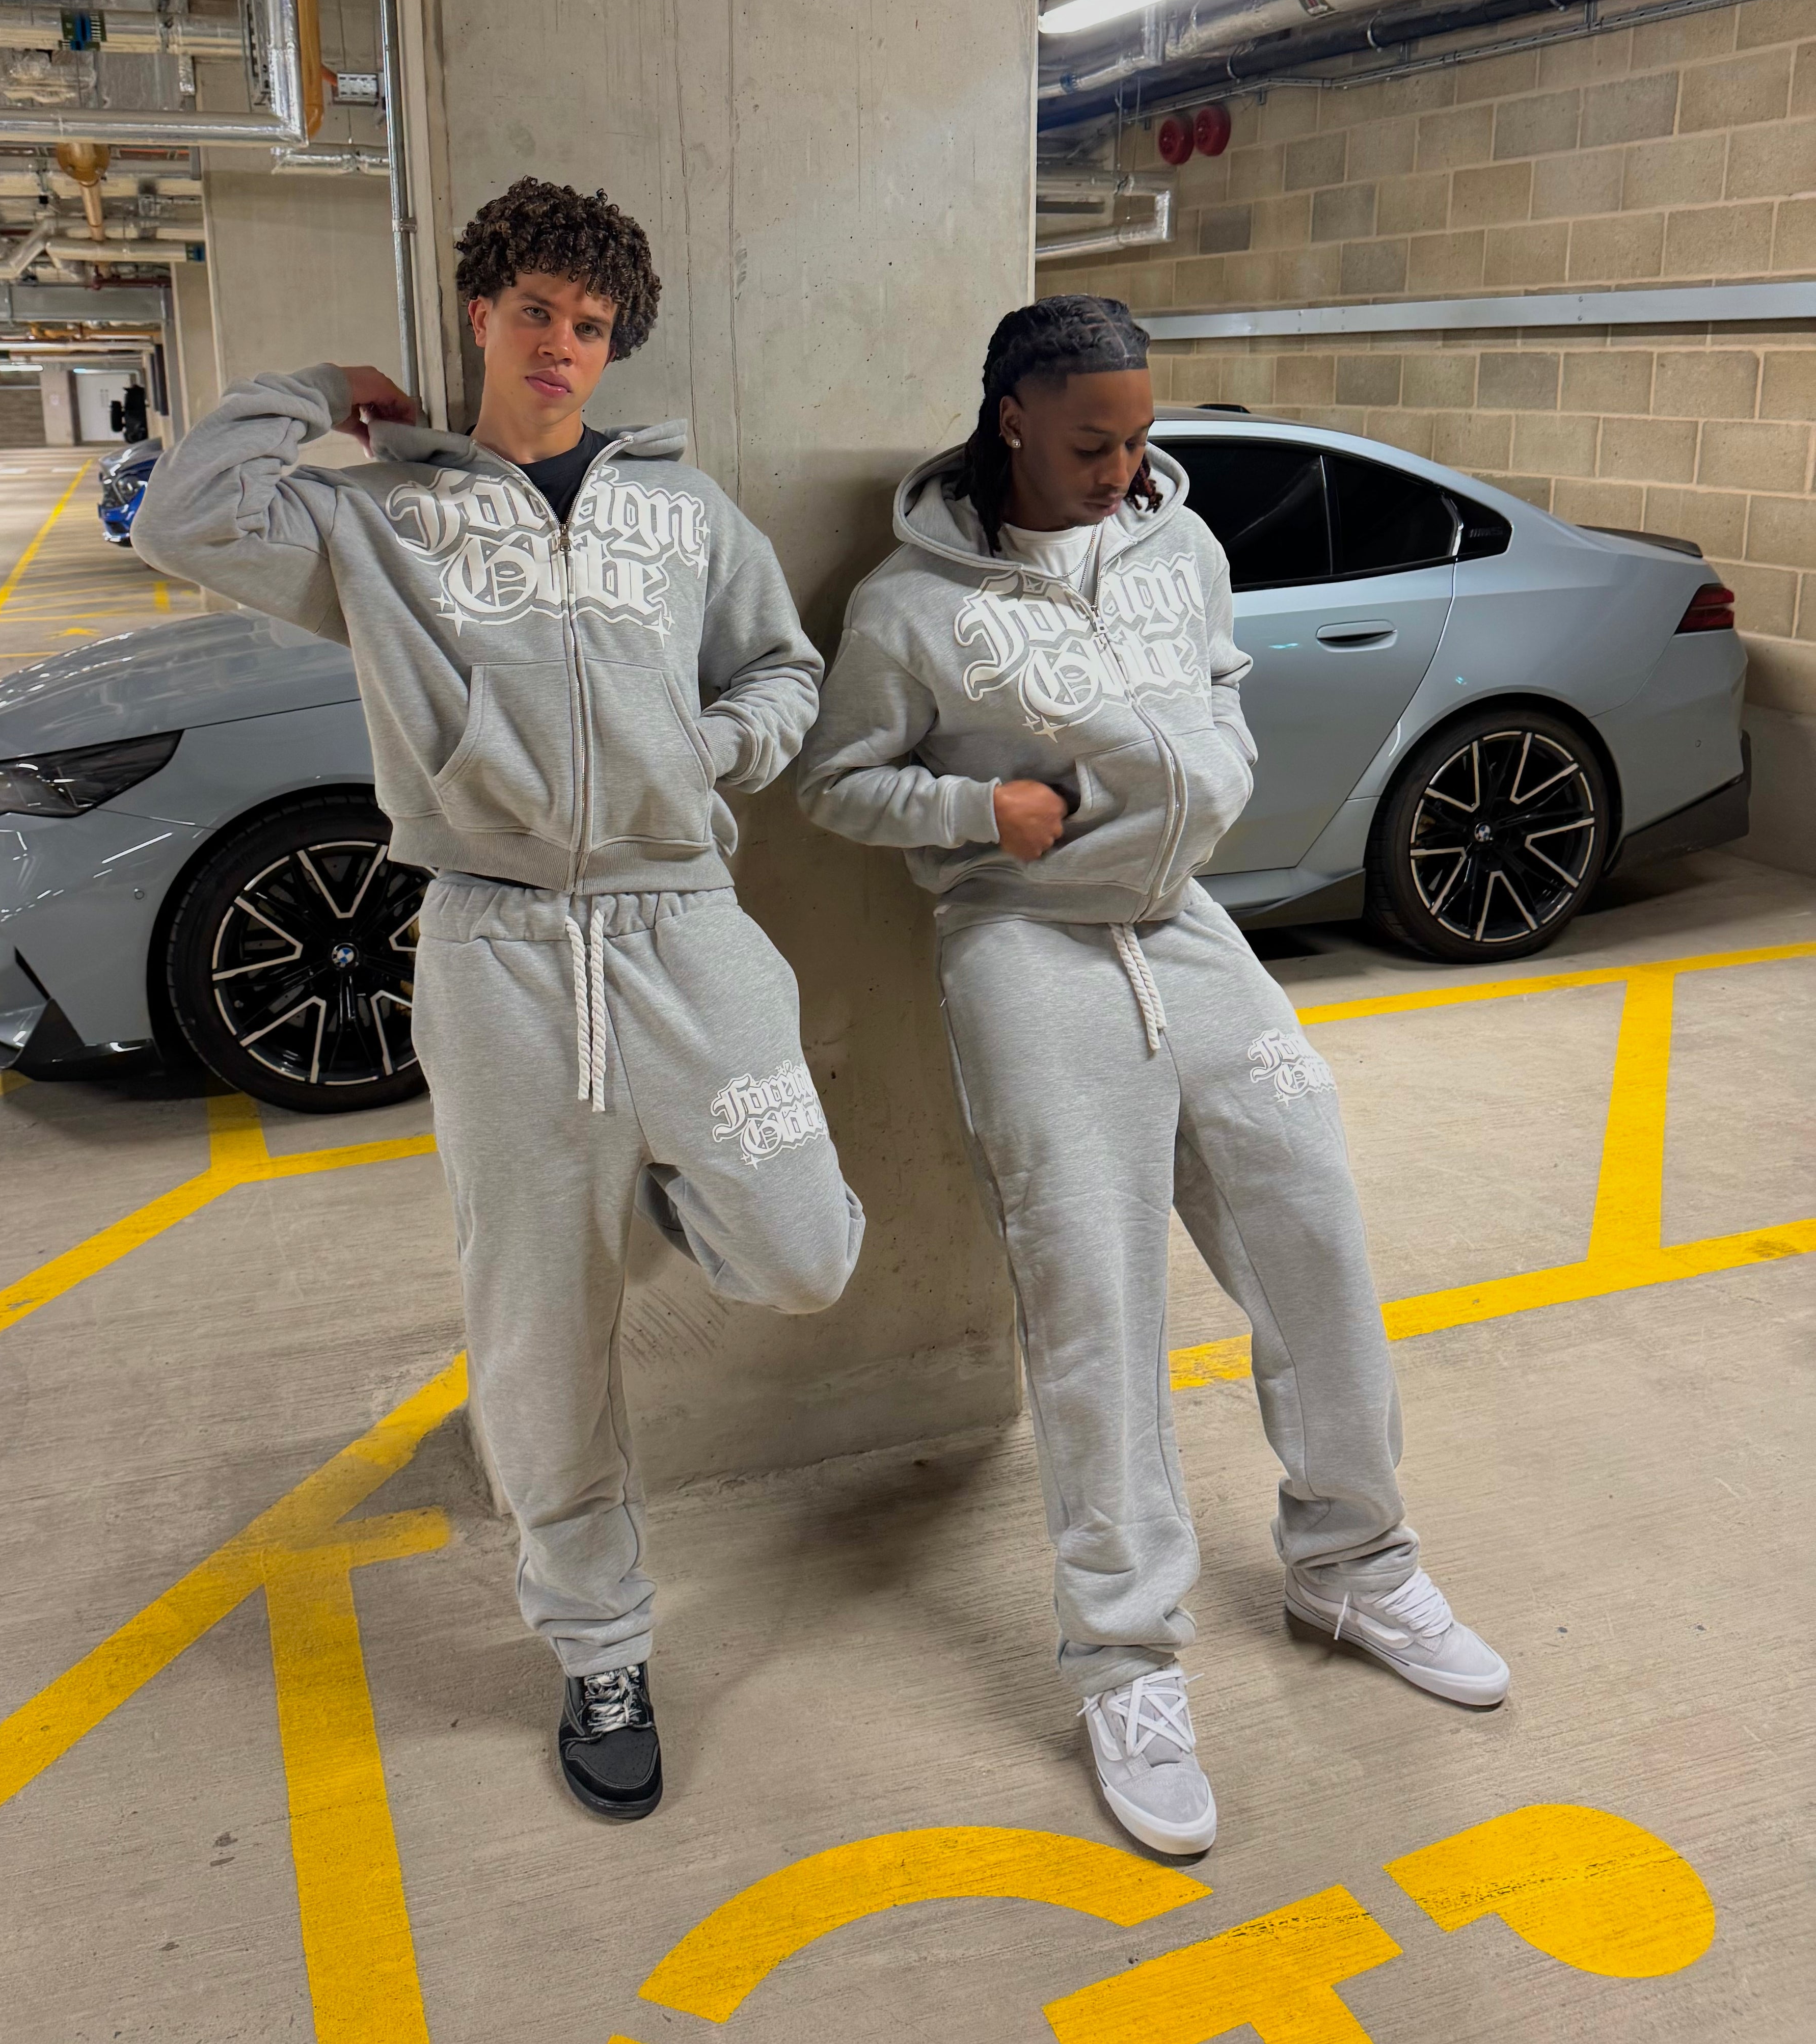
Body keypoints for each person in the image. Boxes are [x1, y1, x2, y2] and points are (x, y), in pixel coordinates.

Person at [135, 176, 864, 1825]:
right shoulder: (381, 522)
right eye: (536, 311)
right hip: (497, 947)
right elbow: (184, 516)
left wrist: (709, 751)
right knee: (538, 1331)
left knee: (805, 1252)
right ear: (482, 312)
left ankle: (666, 1182)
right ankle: (600, 1647)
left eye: (591, 326)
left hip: (685, 927)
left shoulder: (684, 513)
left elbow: (783, 669)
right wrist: (322, 395)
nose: (561, 346)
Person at [796, 293, 1504, 1858]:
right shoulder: (911, 605)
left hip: (1185, 922)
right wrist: (978, 816)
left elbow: (1221, 683)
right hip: (1021, 942)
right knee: (1095, 1300)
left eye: (1138, 438)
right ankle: (1125, 1664)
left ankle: (1354, 1562)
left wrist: (1223, 757)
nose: (1122, 468)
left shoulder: (1179, 543)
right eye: (1090, 443)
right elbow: (838, 782)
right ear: (1014, 423)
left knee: (1314, 1221)